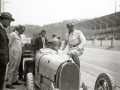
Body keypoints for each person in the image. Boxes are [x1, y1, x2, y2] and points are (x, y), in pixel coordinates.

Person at [0, 12, 15, 90]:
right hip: (1, 60)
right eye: (9, 22)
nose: (9, 24)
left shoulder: (2, 29)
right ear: (4, 19)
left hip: (2, 60)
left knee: (1, 79)